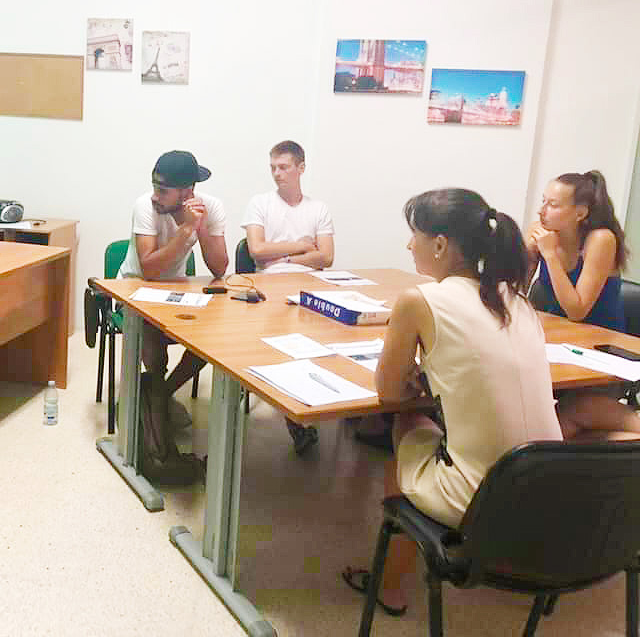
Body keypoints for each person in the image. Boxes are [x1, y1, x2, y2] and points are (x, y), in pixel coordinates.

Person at [342, 189, 562, 616]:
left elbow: (389, 394)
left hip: (485, 505)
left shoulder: (419, 300)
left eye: (415, 235)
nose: (409, 245)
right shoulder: (518, 301)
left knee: (407, 423)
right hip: (552, 494)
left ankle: (390, 589)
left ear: (440, 245)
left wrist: (417, 386)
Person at [118, 150, 229, 483]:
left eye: (163, 190)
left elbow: (219, 267)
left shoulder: (211, 207)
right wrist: (184, 231)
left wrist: (199, 226)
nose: (155, 195)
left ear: (188, 191)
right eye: (154, 186)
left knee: (210, 340)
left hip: (176, 292)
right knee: (152, 342)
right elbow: (149, 269)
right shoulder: (145, 206)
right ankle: (156, 404)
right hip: (134, 290)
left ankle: (159, 396)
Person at [526, 170, 640, 440]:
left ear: (580, 213)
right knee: (533, 410)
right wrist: (528, 252)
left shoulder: (600, 239)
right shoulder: (546, 237)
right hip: (562, 346)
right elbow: (513, 295)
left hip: (602, 356)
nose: (542, 211)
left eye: (553, 205)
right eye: (543, 202)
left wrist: (550, 255)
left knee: (562, 423)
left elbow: (577, 311)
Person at [240, 139, 334, 456]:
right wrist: (303, 245)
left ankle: (312, 407)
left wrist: (286, 257)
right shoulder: (260, 203)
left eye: (283, 167)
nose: (277, 173)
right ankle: (296, 419)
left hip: (310, 284)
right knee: (281, 341)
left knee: (321, 340)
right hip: (271, 285)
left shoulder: (318, 208)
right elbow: (257, 250)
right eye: (273, 168)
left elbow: (327, 257)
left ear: (301, 168)